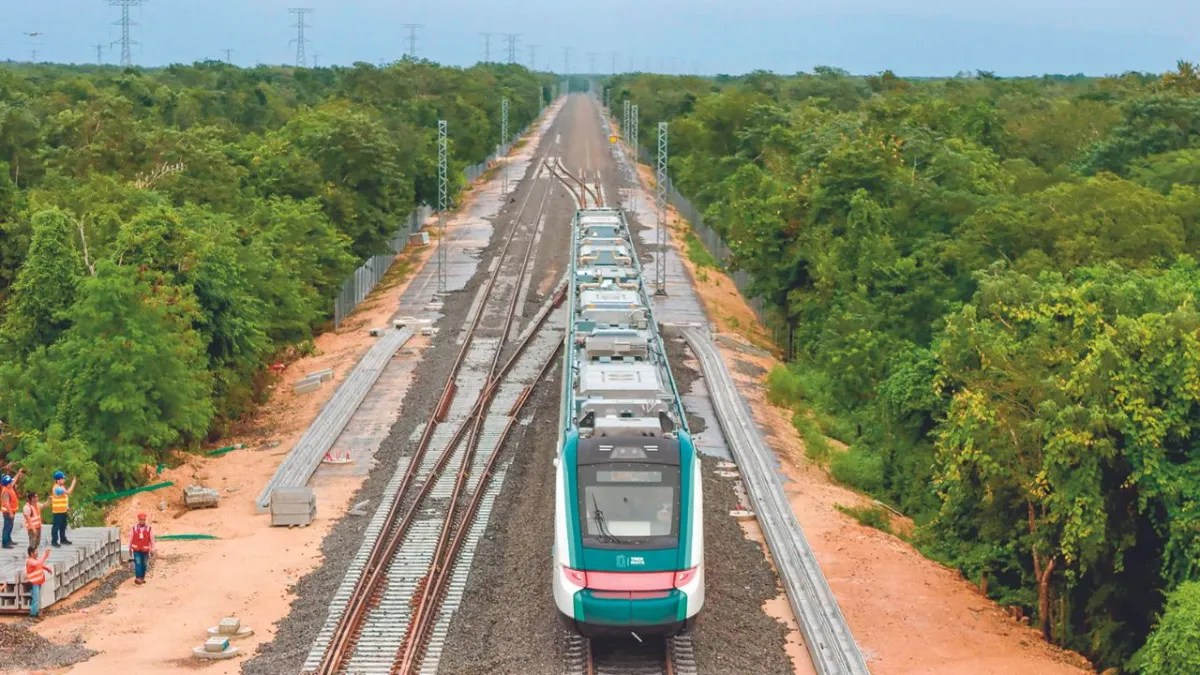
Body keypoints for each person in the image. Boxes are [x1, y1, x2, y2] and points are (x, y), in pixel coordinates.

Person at [49, 471, 76, 547]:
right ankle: (54, 541)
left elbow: (65, 497)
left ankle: (63, 538)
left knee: (63, 526)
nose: (64, 480)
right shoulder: (57, 488)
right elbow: (68, 492)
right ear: (58, 480)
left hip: (63, 510)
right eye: (62, 479)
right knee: (56, 526)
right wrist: (73, 483)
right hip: (57, 511)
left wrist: (67, 507)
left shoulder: (61, 487)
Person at [128, 513, 155, 585]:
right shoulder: (134, 528)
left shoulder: (149, 528)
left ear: (145, 520)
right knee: (138, 563)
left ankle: (142, 578)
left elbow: (152, 539)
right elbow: (130, 538)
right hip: (136, 549)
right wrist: (129, 548)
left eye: (143, 520)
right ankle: (138, 578)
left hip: (145, 550)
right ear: (138, 520)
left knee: (144, 564)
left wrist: (153, 549)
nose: (142, 521)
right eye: (140, 520)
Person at [25, 546, 52, 618]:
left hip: (37, 582)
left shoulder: (34, 560)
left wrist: (46, 569)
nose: (37, 553)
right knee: (35, 599)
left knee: (36, 598)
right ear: (31, 553)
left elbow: (39, 564)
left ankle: (35, 613)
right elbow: (38, 563)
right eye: (36, 551)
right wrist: (45, 555)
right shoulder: (30, 561)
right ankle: (33, 614)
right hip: (34, 583)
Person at [1, 469, 22, 548]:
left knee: (10, 526)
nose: (11, 482)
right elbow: (6, 503)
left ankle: (9, 540)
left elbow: (14, 480)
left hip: (12, 511)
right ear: (6, 484)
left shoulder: (9, 487)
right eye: (9, 482)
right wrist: (10, 513)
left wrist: (18, 473)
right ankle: (5, 543)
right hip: (7, 512)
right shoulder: (6, 492)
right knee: (7, 527)